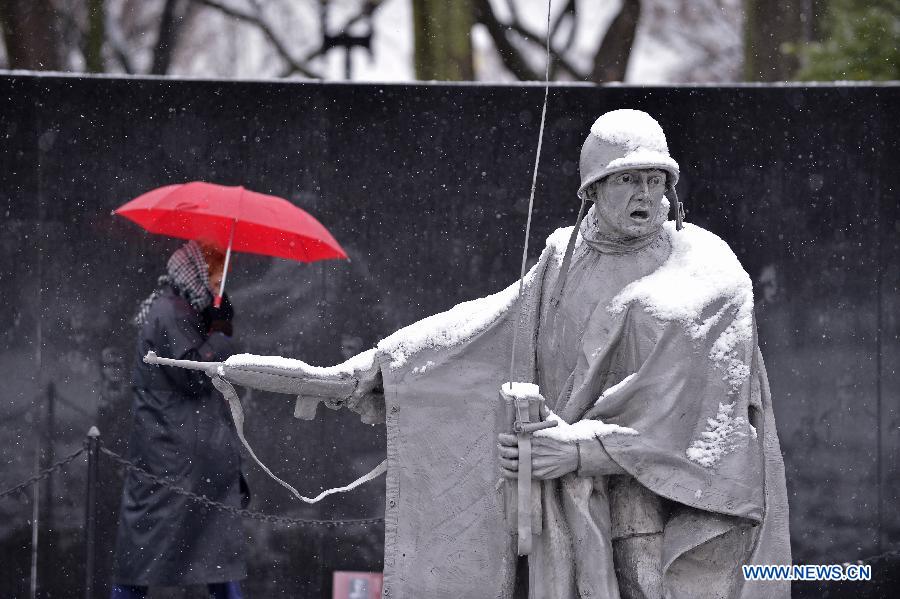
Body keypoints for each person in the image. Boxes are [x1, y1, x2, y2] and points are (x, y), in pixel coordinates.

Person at [165, 110, 791, 598]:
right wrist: (375, 365)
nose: (646, 193)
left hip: (668, 503)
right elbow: (487, 325)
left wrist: (581, 450)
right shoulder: (565, 257)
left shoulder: (708, 273)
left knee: (644, 581)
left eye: (657, 179)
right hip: (568, 502)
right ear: (593, 189)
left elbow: (698, 414)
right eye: (630, 178)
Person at [111, 240, 247, 599]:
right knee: (153, 558)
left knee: (160, 556)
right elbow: (195, 375)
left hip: (180, 459)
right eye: (215, 276)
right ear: (196, 273)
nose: (219, 284)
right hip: (171, 462)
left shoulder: (181, 310)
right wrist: (219, 334)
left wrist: (216, 326)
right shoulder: (169, 313)